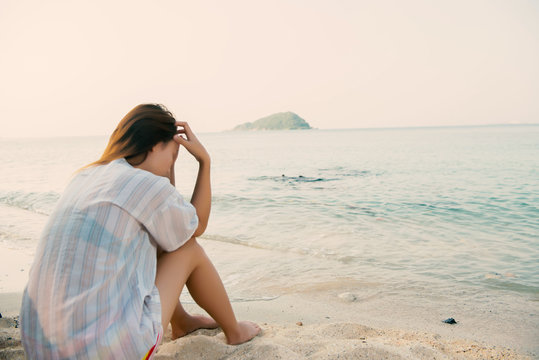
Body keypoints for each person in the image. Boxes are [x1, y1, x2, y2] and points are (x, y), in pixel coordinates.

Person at [20, 104, 261, 359]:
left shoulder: (86, 176)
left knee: (160, 238)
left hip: (39, 345)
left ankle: (181, 322)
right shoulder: (144, 185)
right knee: (189, 249)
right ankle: (234, 331)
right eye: (173, 154)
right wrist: (205, 162)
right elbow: (196, 226)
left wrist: (169, 162)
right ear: (155, 145)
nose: (172, 164)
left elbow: (169, 224)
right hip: (102, 351)